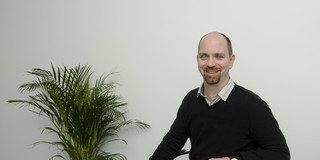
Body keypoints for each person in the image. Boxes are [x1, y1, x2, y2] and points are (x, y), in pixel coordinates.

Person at [149, 32, 290, 160]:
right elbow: (171, 144)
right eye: (204, 56)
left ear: (231, 60)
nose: (210, 63)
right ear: (197, 59)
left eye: (219, 56)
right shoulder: (191, 100)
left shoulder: (253, 105)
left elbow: (280, 154)